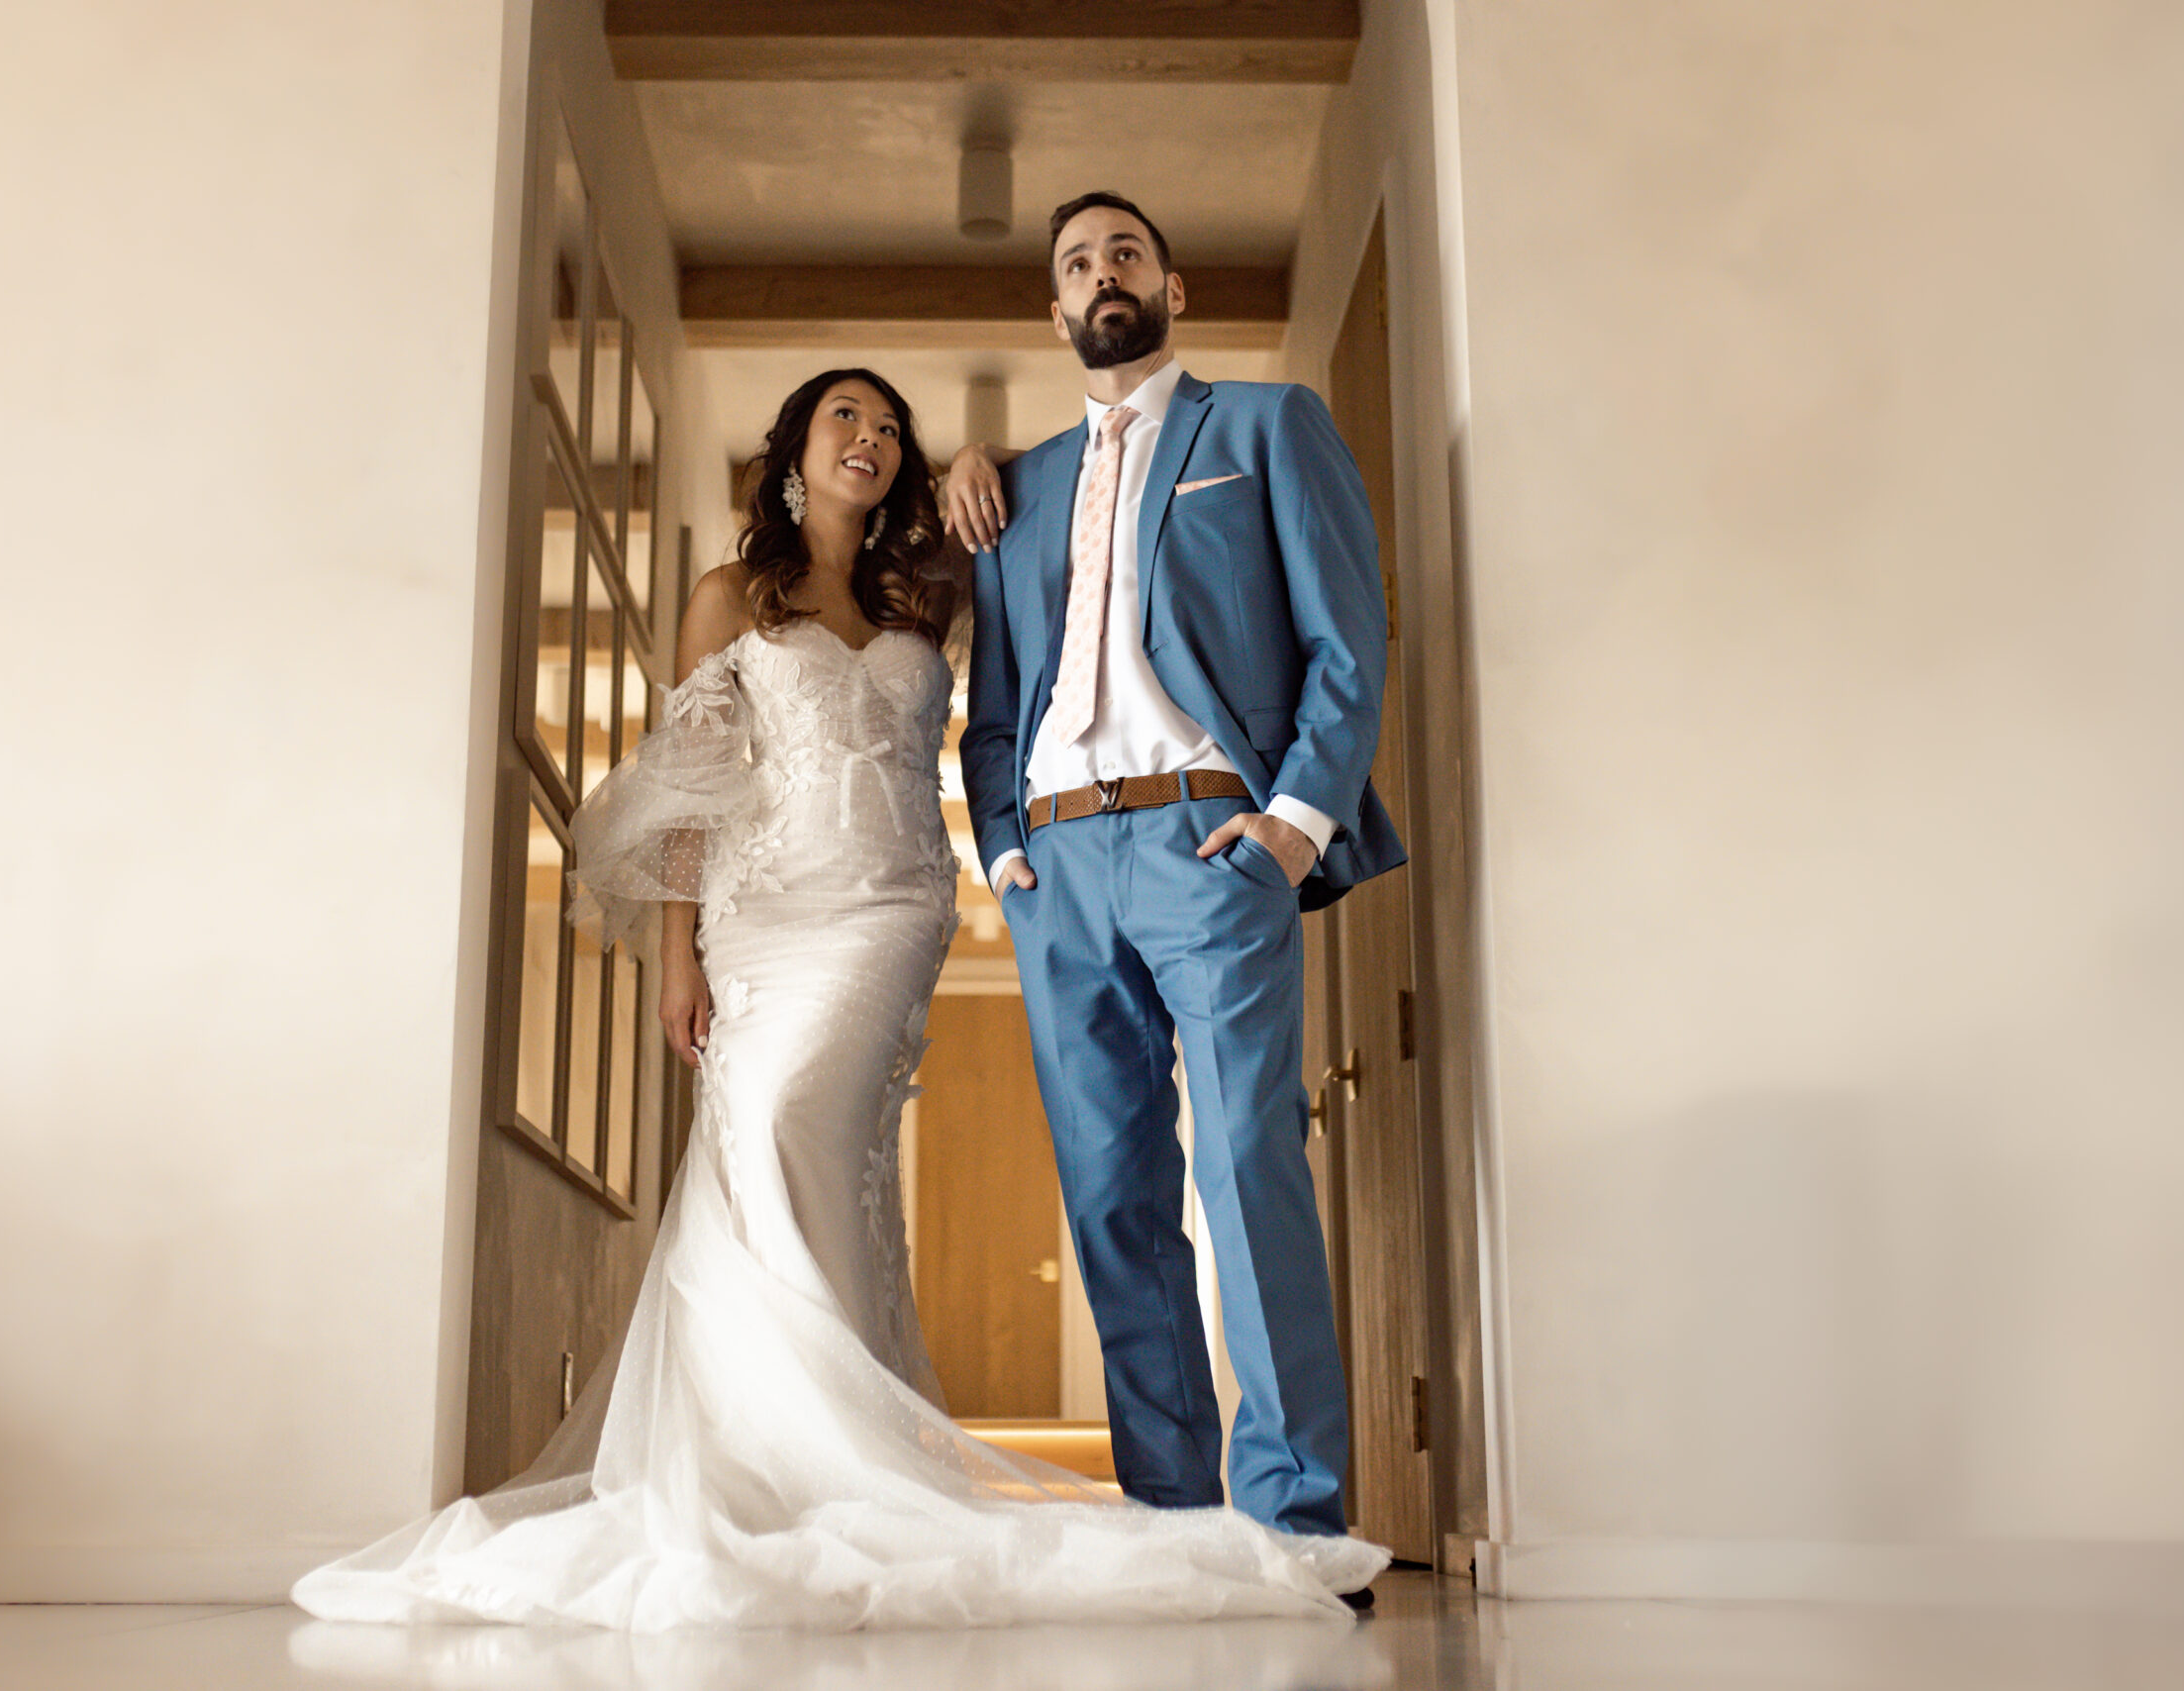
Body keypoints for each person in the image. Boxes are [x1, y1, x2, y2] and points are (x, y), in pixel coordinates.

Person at [290, 368, 1386, 1631]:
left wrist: (982, 460)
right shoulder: (728, 598)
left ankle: (846, 1453)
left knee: (796, 1121)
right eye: (842, 421)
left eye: (886, 426)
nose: (868, 439)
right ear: (795, 454)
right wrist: (678, 954)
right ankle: (780, 1467)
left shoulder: (925, 593)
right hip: (762, 917)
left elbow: (1052, 602)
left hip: (892, 907)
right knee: (758, 1149)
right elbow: (691, 787)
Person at [946, 194, 1406, 1591]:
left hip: (1213, 844)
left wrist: (1290, 825)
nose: (1103, 275)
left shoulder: (1267, 430)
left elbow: (1347, 635)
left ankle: (1295, 1521)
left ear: (1174, 287)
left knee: (1246, 1161)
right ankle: (1167, 1520)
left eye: (1124, 254)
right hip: (1057, 867)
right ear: (1055, 306)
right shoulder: (1013, 489)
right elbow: (993, 701)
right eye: (1077, 263)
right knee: (1109, 1192)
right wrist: (1002, 847)